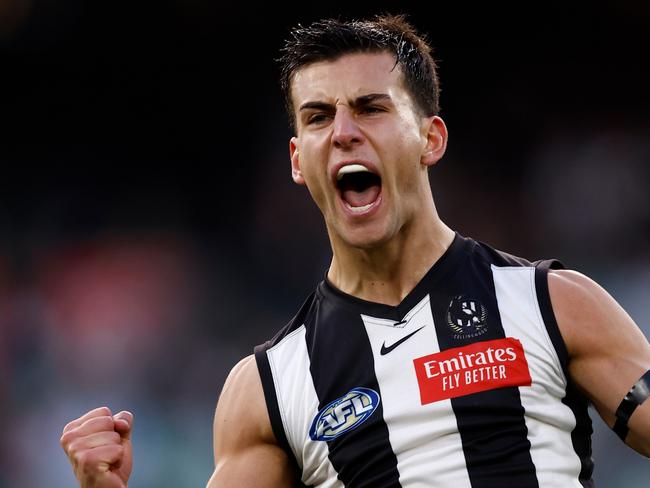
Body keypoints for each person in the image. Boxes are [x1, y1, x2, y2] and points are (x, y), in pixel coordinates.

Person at [60, 14, 650, 487]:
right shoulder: (268, 388)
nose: (344, 131)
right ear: (298, 160)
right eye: (319, 117)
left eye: (371, 107)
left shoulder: (555, 305)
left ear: (430, 138)